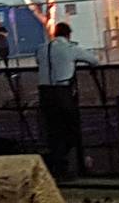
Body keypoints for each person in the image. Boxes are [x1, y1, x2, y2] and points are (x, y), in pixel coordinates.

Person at [39, 22, 103, 178]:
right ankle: (67, 166)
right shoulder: (70, 49)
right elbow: (94, 60)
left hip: (45, 93)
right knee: (70, 129)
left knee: (53, 131)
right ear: (68, 35)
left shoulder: (42, 49)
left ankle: (56, 165)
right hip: (63, 92)